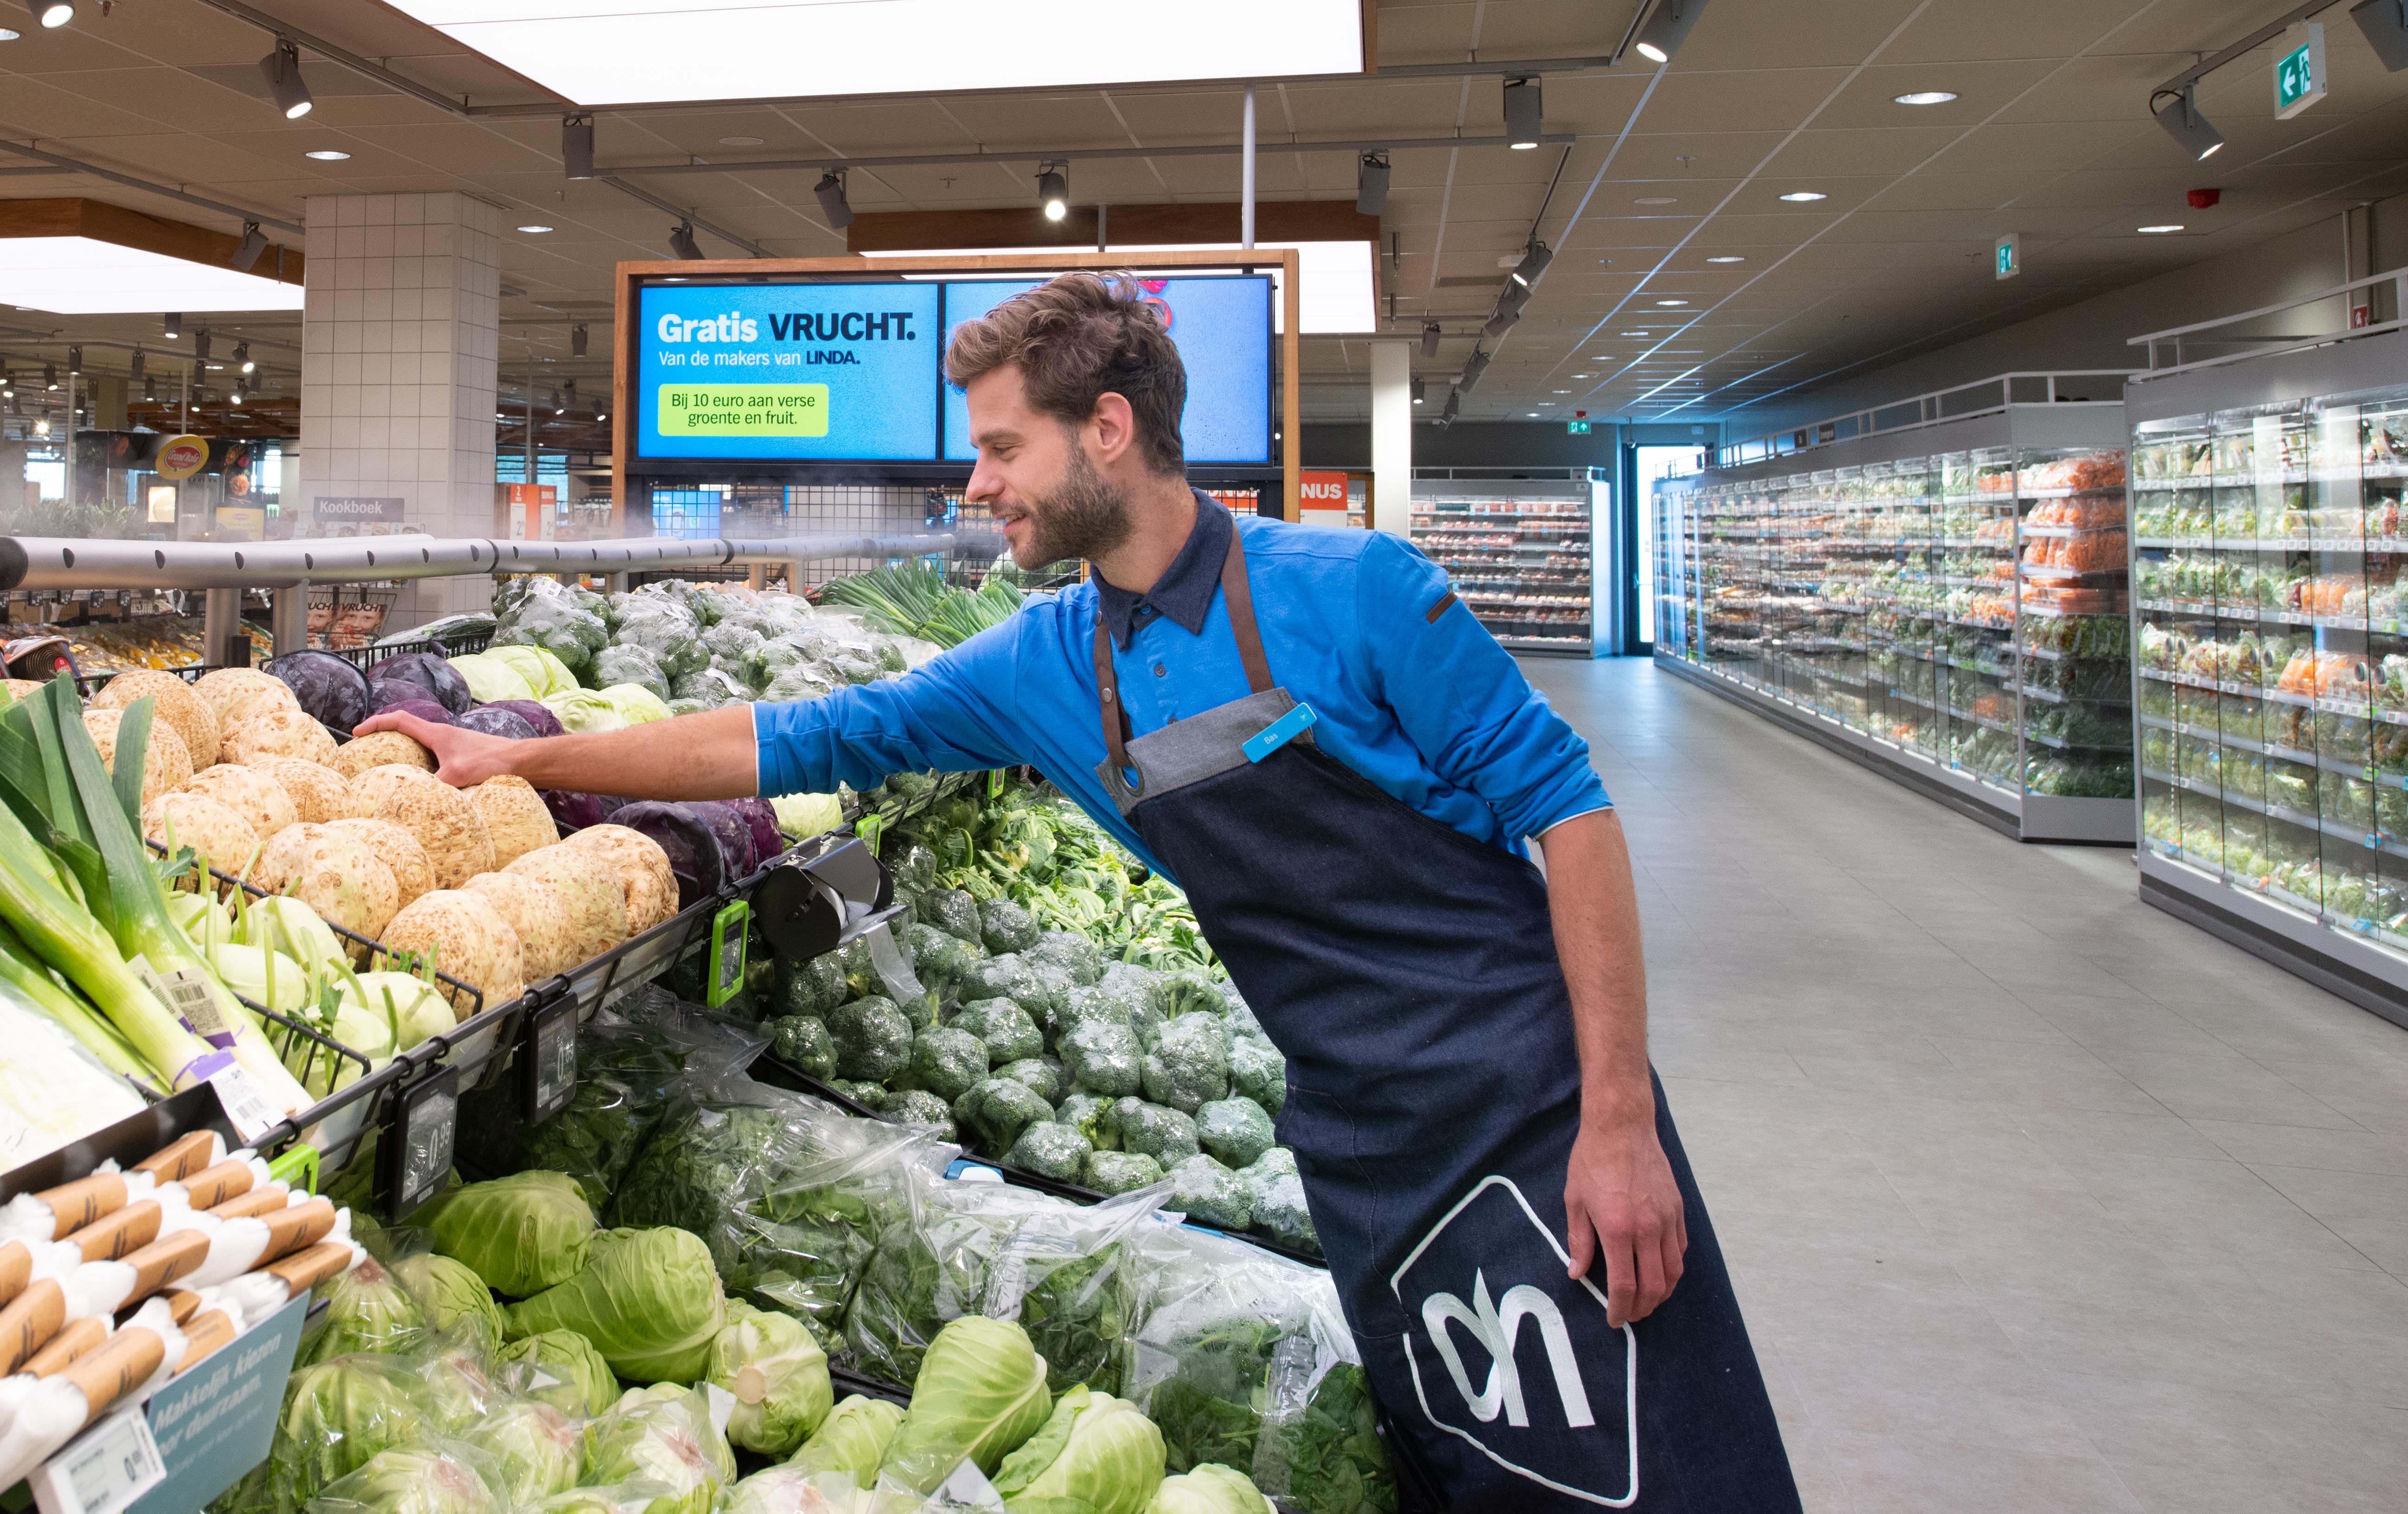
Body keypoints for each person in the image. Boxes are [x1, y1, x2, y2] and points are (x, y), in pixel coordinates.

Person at [365, 273, 1798, 1511]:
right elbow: (787, 737)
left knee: (1640, 1468)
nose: (977, 483)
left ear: (1107, 430)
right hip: (1359, 1145)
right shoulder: (1046, 664)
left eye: (1002, 448)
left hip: (1532, 1111)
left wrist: (1617, 1121)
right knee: (1464, 1468)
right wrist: (520, 752)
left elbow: (1574, 816)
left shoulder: (1359, 591)